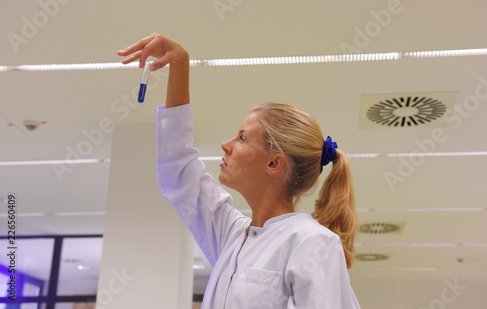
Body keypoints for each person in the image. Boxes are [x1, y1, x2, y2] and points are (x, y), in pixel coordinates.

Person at [118, 33, 361, 309]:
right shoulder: (232, 234)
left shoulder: (312, 243)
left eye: (242, 138)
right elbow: (179, 170)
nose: (226, 145)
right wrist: (180, 65)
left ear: (274, 163)